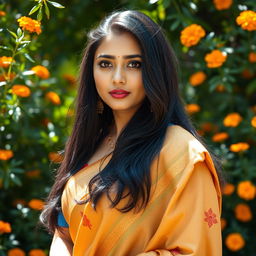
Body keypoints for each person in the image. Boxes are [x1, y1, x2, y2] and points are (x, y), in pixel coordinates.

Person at [40, 10, 224, 256]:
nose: (118, 78)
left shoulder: (183, 155)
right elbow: (65, 234)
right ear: (91, 72)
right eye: (105, 64)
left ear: (155, 72)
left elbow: (194, 251)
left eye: (134, 64)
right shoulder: (91, 143)